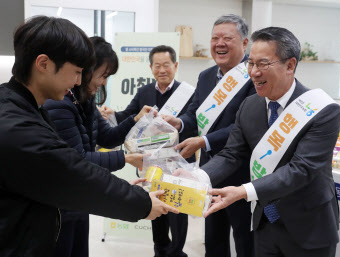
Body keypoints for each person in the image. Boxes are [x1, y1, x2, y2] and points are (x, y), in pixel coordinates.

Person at [0, 15, 178, 257]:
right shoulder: (19, 126)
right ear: (43, 64)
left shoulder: (29, 108)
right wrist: (142, 203)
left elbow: (82, 159)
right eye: (75, 71)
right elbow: (72, 171)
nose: (77, 81)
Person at [201, 27, 340, 257]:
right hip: (264, 224)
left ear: (290, 65)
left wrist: (243, 191)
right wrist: (197, 177)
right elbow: (231, 155)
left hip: (309, 228)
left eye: (263, 64)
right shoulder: (249, 106)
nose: (254, 73)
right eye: (251, 64)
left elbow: (301, 169)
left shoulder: (322, 110)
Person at [43, 36, 151, 257]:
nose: (103, 82)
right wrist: (126, 159)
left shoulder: (84, 99)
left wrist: (136, 119)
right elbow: (77, 160)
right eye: (103, 75)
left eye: (107, 77)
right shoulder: (59, 104)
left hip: (80, 197)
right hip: (61, 204)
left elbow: (108, 137)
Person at [165, 14, 255, 257]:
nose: (219, 44)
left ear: (245, 43)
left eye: (228, 38)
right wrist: (180, 123)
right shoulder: (206, 76)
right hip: (208, 171)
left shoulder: (253, 77)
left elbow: (243, 126)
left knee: (245, 239)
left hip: (241, 173)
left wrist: (204, 141)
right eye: (215, 38)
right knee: (213, 236)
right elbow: (194, 114)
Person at [100, 45, 195, 257]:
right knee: (155, 206)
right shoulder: (143, 92)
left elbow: (194, 123)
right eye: (157, 66)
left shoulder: (188, 94)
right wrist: (111, 113)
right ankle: (160, 250)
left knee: (178, 211)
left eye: (166, 65)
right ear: (151, 67)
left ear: (175, 66)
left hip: (177, 163)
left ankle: (176, 251)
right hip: (151, 163)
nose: (162, 70)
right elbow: (129, 114)